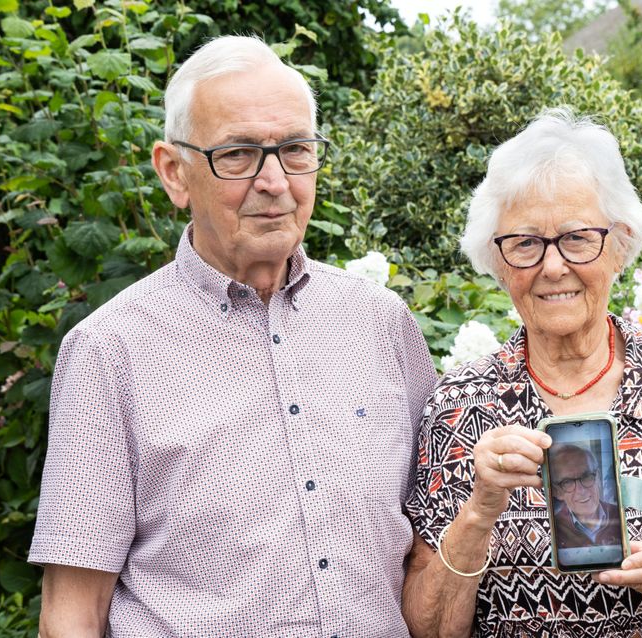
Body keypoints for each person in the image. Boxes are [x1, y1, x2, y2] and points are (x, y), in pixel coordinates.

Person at [28, 35, 437, 637]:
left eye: (296, 149)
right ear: (174, 172)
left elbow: (434, 551)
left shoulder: (381, 324)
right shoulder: (109, 351)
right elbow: (72, 613)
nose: (274, 180)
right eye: (240, 154)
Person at [403, 108, 642, 637]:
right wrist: (480, 510)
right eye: (525, 244)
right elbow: (429, 629)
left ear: (620, 245)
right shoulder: (460, 406)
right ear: (497, 265)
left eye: (578, 237)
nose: (553, 266)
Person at [548, 444, 620, 550]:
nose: (581, 491)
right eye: (567, 482)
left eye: (586, 477)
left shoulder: (620, 516)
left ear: (598, 478)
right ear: (557, 492)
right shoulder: (551, 529)